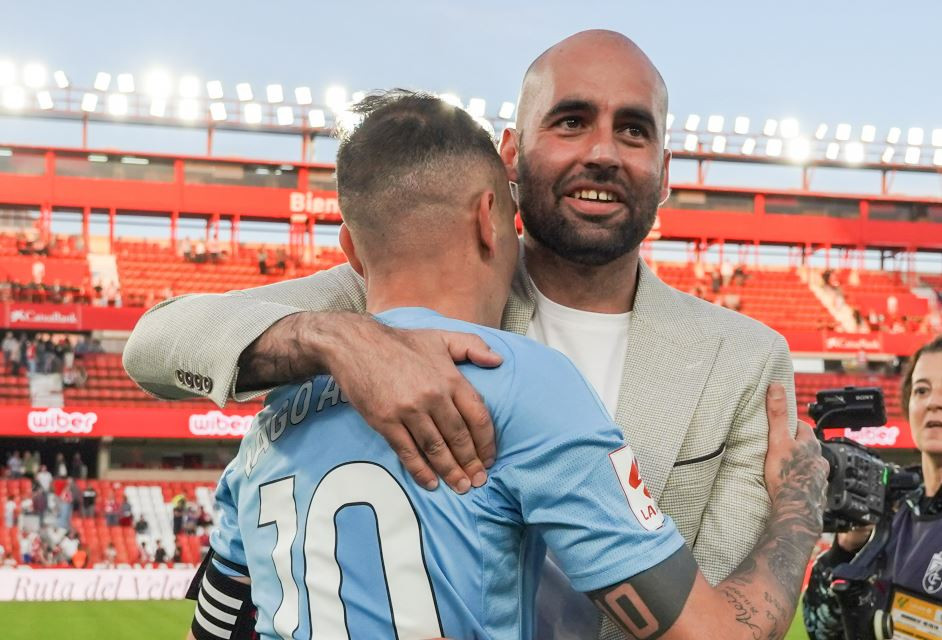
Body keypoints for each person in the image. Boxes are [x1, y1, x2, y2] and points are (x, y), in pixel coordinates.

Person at [127, 31, 797, 598]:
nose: (602, 151)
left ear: (664, 169)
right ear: (511, 154)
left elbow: (715, 608)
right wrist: (333, 338)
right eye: (571, 121)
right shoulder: (402, 293)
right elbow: (155, 344)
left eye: (633, 130)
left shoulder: (745, 360)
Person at [804, 336, 942, 639]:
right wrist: (846, 551)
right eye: (922, 390)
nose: (934, 402)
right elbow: (820, 629)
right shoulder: (895, 509)